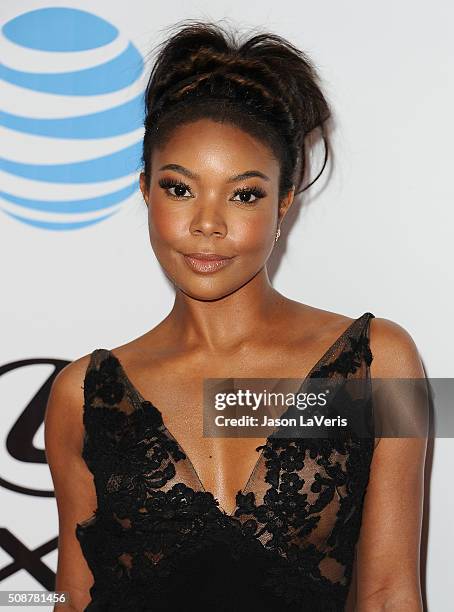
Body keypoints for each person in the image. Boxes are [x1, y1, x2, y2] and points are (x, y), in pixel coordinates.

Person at [44, 19, 427, 612]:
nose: (208, 224)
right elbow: (72, 599)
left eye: (244, 194)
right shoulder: (82, 394)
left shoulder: (379, 362)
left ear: (285, 202)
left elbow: (389, 594)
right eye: (180, 188)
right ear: (145, 189)